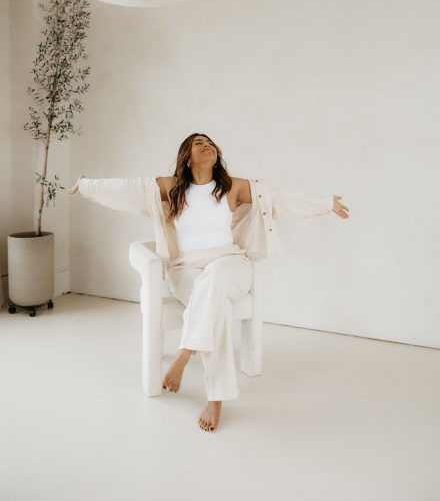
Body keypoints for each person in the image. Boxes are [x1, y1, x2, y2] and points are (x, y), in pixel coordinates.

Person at [68, 132, 349, 432]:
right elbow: (129, 189)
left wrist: (324, 202)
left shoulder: (233, 188)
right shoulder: (171, 188)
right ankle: (216, 399)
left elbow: (276, 198)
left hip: (230, 263)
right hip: (186, 270)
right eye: (199, 143)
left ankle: (185, 352)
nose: (207, 146)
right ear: (187, 157)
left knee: (215, 278)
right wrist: (87, 186)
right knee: (215, 308)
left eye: (210, 143)